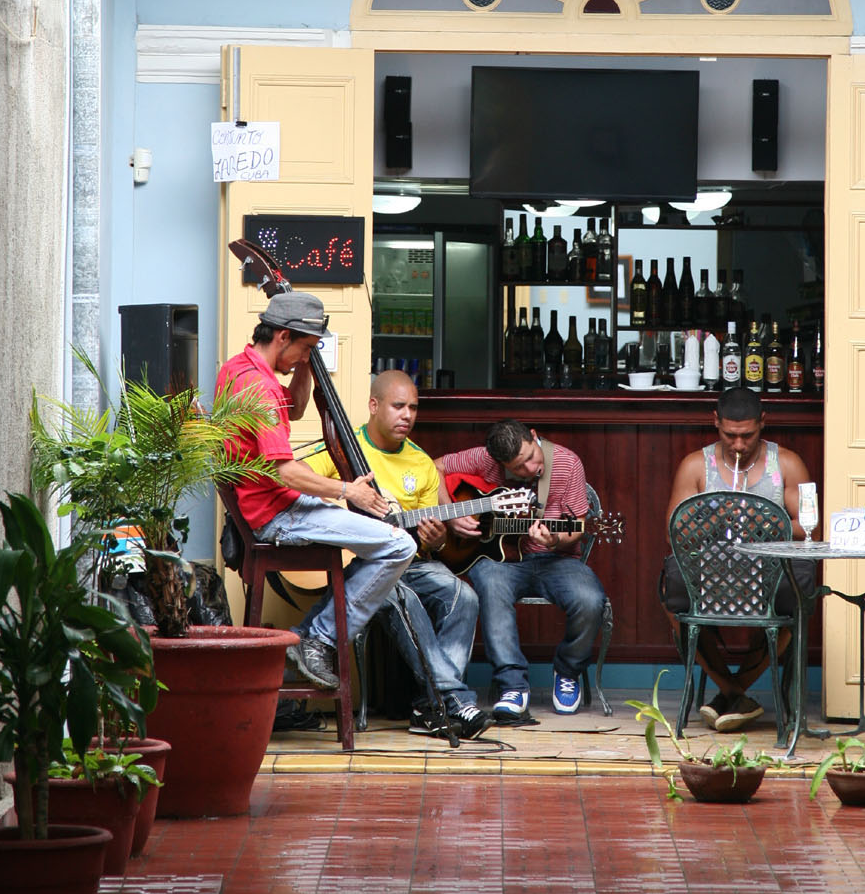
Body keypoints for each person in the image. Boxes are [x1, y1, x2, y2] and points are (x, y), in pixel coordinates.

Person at [216, 292, 415, 690]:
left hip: (269, 507)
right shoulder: (259, 388)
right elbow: (284, 470)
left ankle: (313, 635)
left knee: (379, 541)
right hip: (276, 516)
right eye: (305, 348)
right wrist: (348, 491)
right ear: (283, 337)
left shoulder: (238, 368)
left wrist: (306, 365)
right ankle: (317, 639)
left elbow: (298, 408)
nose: (306, 357)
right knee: (399, 546)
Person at [307, 369, 492, 739]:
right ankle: (450, 700)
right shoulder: (343, 447)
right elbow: (301, 489)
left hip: (411, 563)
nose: (407, 415)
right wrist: (342, 502)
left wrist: (436, 540)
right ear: (374, 406)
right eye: (397, 406)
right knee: (404, 598)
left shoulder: (421, 463)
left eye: (413, 408)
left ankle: (428, 706)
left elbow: (428, 542)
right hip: (363, 567)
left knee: (464, 596)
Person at [662, 386, 816, 732]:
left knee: (799, 592)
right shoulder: (695, 466)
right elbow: (674, 532)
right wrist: (712, 519)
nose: (738, 445)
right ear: (715, 422)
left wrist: (765, 523)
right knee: (674, 589)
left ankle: (730, 693)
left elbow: (809, 529)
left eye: (748, 435)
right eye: (729, 435)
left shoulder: (787, 464)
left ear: (763, 423)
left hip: (771, 573)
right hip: (713, 571)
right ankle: (734, 691)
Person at [438, 419, 607, 720]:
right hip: (504, 563)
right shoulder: (484, 460)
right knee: (489, 583)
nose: (529, 470)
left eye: (530, 458)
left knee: (590, 599)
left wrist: (554, 539)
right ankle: (512, 685)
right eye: (518, 469)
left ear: (533, 436)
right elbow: (434, 467)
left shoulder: (567, 463)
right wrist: (450, 515)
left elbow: (579, 527)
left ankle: (567, 671)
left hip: (558, 560)